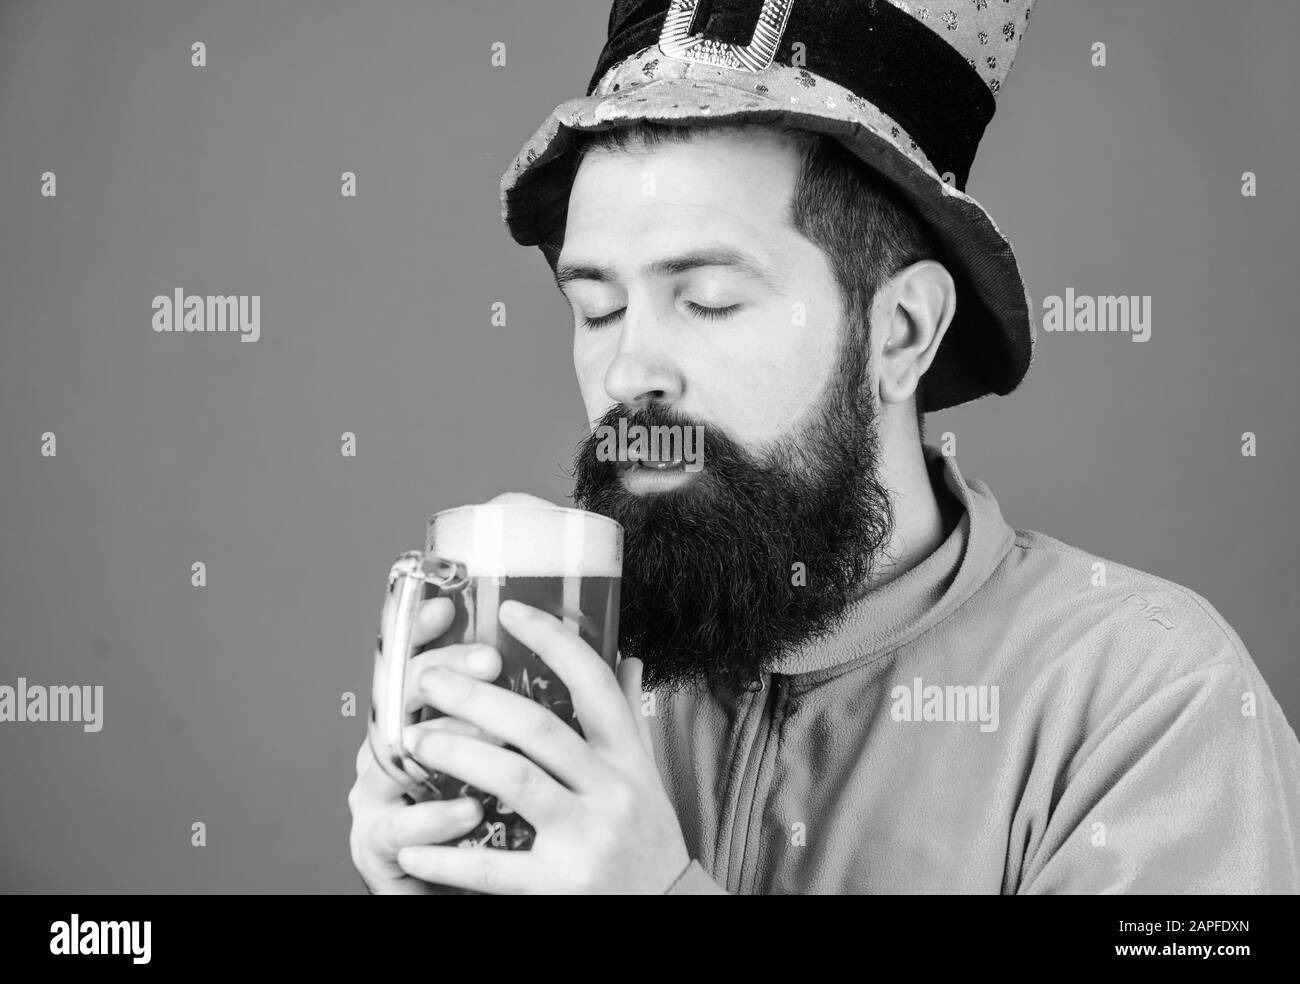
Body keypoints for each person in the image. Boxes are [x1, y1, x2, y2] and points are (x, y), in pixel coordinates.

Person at [349, 0, 1300, 893]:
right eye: (597, 308)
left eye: (709, 300)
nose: (630, 371)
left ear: (899, 332)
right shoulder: (565, 683)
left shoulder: (1157, 705)